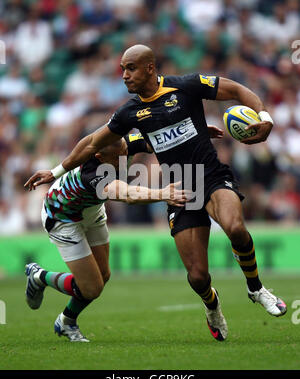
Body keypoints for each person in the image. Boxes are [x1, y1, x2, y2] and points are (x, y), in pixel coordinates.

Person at [25, 44, 287, 342]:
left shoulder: (185, 86)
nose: (124, 75)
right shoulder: (122, 125)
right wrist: (55, 171)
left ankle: (256, 289)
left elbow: (236, 90)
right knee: (197, 277)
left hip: (211, 176)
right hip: (161, 193)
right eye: (122, 69)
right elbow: (98, 152)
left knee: (236, 228)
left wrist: (264, 118)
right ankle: (211, 305)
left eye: (130, 68)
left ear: (150, 67)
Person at [25, 134, 189, 342]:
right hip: (64, 217)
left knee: (104, 275)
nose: (124, 156)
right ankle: (39, 276)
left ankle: (66, 321)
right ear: (99, 156)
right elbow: (126, 194)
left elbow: (156, 138)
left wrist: (194, 134)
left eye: (124, 151)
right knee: (92, 288)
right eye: (117, 155)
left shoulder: (123, 143)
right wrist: (163, 193)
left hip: (91, 211)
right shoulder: (92, 173)